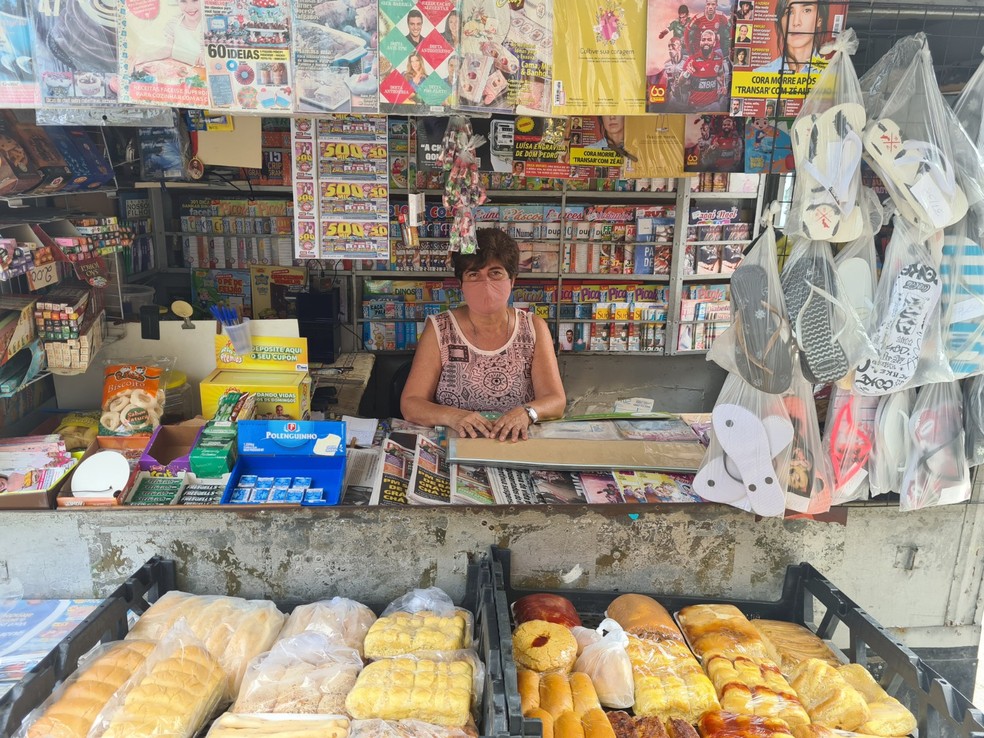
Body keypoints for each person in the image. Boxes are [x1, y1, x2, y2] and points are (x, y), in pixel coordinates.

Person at [401, 229, 566, 440]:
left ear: (512, 280)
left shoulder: (534, 327)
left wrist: (527, 413)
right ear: (461, 283)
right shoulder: (440, 328)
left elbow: (556, 400)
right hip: (455, 445)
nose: (485, 283)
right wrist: (453, 416)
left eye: (495, 272)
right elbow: (411, 403)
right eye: (473, 274)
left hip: (516, 444)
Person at [755, 0, 829, 73]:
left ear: (819, 20)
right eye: (789, 12)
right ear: (780, 21)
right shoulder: (760, 73)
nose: (796, 22)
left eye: (807, 10)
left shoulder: (833, 73)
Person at [136, 0, 205, 68]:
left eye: (195, 0)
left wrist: (207, 57)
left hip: (201, 75)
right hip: (179, 72)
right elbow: (166, 51)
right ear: (177, 2)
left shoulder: (210, 25)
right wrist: (143, 57)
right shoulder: (174, 23)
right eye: (183, 1)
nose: (190, 7)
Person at [679, 29, 729, 111]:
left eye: (709, 40)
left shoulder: (719, 58)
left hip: (713, 105)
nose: (706, 42)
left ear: (714, 43)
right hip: (695, 107)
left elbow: (720, 74)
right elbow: (680, 82)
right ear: (700, 43)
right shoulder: (692, 59)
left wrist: (723, 86)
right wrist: (687, 73)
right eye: (703, 40)